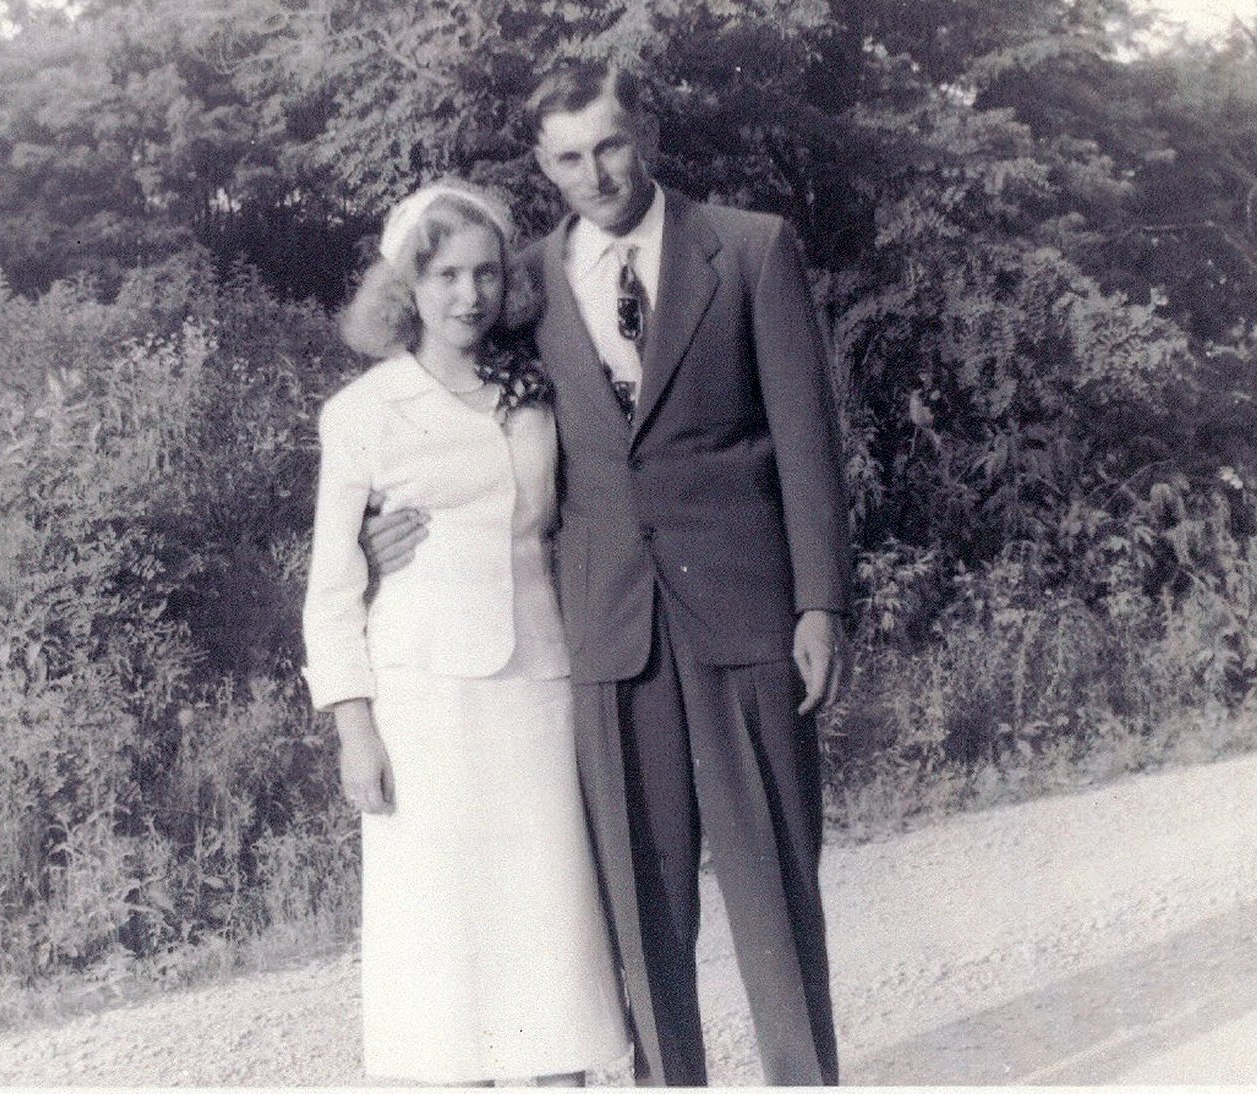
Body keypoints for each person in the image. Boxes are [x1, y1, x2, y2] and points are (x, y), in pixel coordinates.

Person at [364, 64, 855, 1087]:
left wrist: (820, 602)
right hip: (603, 624)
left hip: (746, 612)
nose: (595, 174)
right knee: (642, 900)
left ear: (649, 134)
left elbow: (807, 439)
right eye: (569, 158)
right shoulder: (523, 284)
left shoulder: (750, 248)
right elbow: (436, 396)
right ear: (543, 166)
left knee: (774, 884)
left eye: (610, 146)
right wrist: (377, 523)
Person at [301, 179, 630, 1087]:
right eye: (445, 275)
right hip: (423, 702)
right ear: (407, 285)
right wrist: (354, 729)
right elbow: (330, 589)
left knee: (550, 918)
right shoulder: (363, 412)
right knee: (443, 936)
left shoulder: (535, 389)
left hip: (537, 686)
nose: (469, 295)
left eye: (486, 273)